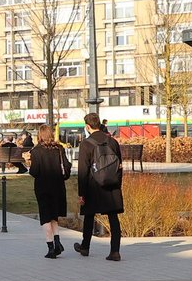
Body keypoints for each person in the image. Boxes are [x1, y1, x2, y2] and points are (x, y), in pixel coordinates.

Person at [75, 112, 124, 261]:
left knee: (89, 216)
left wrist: (81, 193)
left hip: (93, 185)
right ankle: (115, 251)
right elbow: (119, 165)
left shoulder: (86, 144)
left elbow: (83, 170)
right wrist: (117, 183)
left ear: (88, 126)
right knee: (113, 217)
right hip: (112, 185)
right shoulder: (112, 141)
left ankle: (85, 247)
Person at [29, 124, 69, 259]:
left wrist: (27, 162)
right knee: (54, 216)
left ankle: (51, 247)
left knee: (45, 217)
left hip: (43, 187)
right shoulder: (59, 148)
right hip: (58, 186)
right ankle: (58, 243)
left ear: (39, 136)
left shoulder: (36, 151)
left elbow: (34, 171)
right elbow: (67, 167)